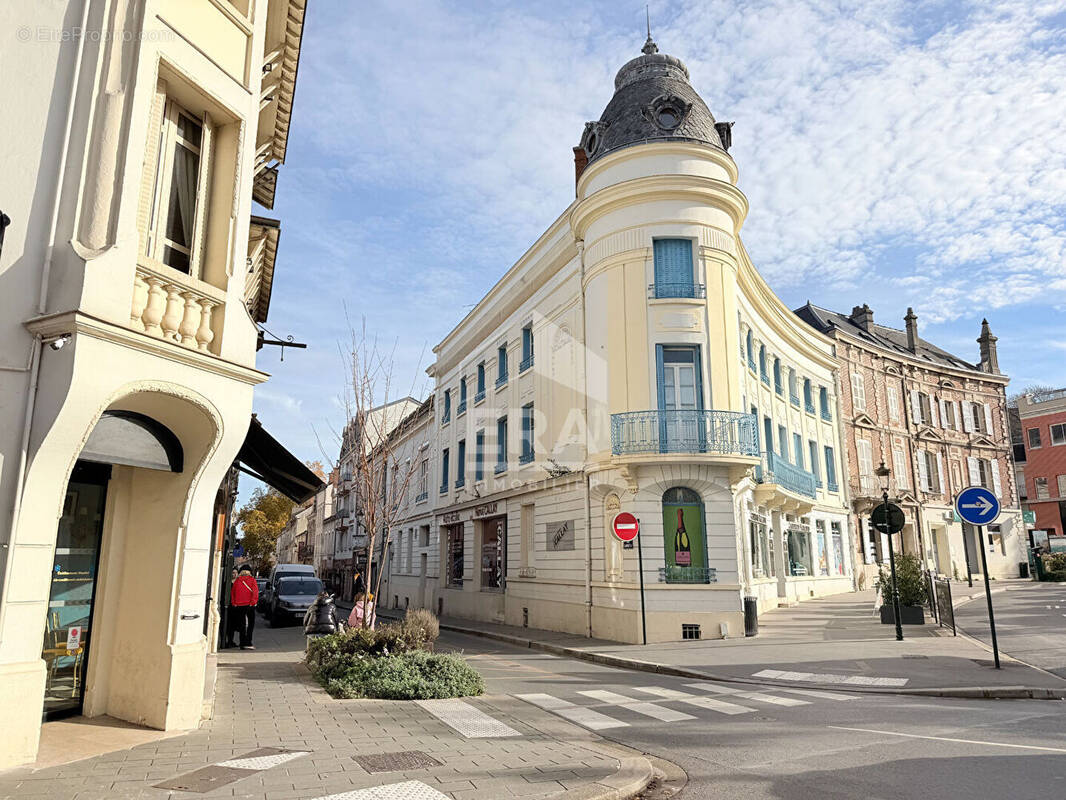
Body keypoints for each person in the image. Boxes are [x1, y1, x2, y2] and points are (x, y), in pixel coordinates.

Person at [230, 565, 259, 650]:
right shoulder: (252, 580)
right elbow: (255, 593)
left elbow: (233, 593)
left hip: (239, 606)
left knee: (242, 625)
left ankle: (242, 643)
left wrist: (234, 603)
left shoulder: (237, 581)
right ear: (249, 572)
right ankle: (248, 642)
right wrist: (253, 603)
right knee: (250, 624)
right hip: (249, 605)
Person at [223, 567, 239, 648]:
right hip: (228, 607)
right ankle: (225, 641)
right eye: (233, 572)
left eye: (236, 572)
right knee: (227, 625)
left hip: (236, 608)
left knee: (233, 626)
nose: (235, 574)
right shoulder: (227, 583)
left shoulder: (239, 583)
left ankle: (230, 641)